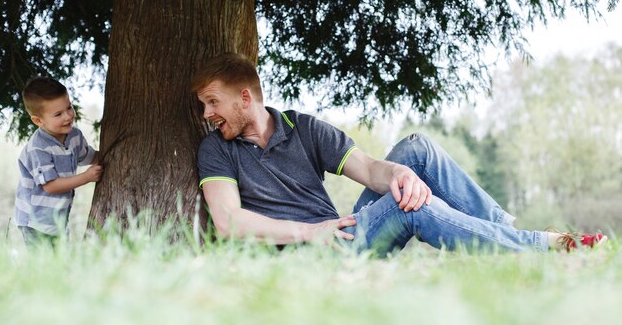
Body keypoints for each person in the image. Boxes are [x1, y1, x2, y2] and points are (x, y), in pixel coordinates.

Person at [192, 52, 606, 256]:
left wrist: (397, 177)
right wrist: (307, 232)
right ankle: (545, 246)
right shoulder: (216, 150)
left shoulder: (303, 127)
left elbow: (370, 168)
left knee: (415, 152)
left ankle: (506, 233)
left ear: (245, 97)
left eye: (213, 102)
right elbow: (229, 222)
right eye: (204, 107)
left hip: (344, 232)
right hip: (314, 252)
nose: (207, 115)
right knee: (410, 208)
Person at [13, 77, 103, 247]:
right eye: (58, 114)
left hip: (57, 218)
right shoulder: (38, 148)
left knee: (59, 259)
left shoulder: (74, 136)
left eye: (69, 107)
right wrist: (86, 177)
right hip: (35, 221)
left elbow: (90, 156)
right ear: (38, 121)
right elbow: (50, 186)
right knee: (44, 264)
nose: (68, 116)